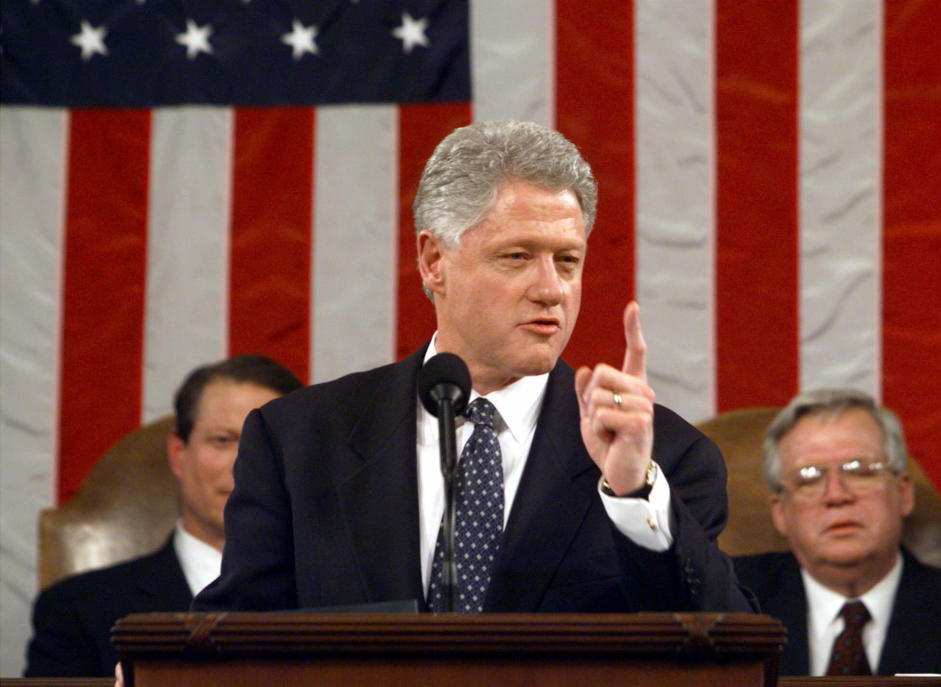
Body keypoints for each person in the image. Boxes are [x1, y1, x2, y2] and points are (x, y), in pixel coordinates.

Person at [193, 120, 755, 616]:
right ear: (434, 262)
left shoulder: (667, 459)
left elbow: (724, 647)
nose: (550, 289)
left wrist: (633, 495)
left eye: (567, 261)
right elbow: (237, 634)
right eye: (517, 257)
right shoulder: (298, 441)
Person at [24, 355, 302, 677]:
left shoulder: (338, 598)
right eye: (223, 440)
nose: (244, 465)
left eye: (265, 445)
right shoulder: (77, 610)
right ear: (178, 454)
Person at [733, 388, 941, 676]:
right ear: (780, 512)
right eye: (810, 478)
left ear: (903, 493)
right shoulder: (729, 604)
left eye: (859, 470)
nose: (837, 495)